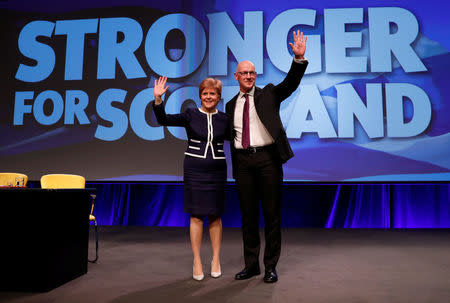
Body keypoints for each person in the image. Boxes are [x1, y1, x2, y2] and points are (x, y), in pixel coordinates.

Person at [225, 30, 308, 283]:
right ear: (236, 77)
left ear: (255, 76)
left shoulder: (269, 93)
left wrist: (298, 60)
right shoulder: (230, 105)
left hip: (268, 162)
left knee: (272, 215)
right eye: (244, 73)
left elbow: (290, 84)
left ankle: (270, 266)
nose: (249, 76)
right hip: (243, 164)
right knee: (248, 216)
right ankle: (252, 266)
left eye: (252, 73)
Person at [152, 76, 229, 281]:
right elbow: (163, 120)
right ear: (200, 96)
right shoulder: (191, 114)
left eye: (212, 93)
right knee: (196, 215)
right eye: (205, 93)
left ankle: (215, 259)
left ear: (219, 97)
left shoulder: (225, 119)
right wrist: (158, 100)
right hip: (195, 170)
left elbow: (241, 138)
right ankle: (196, 260)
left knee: (215, 215)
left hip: (218, 172)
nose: (208, 97)